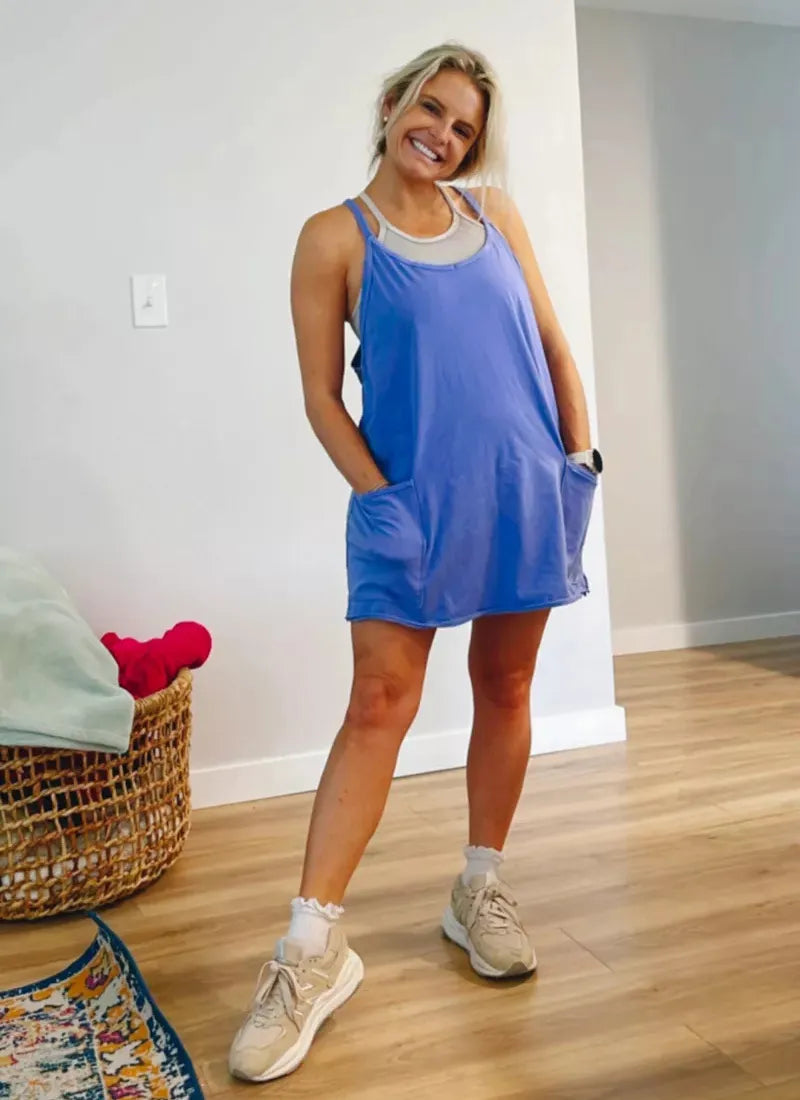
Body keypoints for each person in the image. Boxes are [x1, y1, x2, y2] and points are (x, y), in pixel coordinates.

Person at [229, 42, 602, 1083]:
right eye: (430, 108)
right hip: (410, 508)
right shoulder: (333, 237)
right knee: (377, 705)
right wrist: (380, 499)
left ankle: (478, 887)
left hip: (525, 489)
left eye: (463, 127)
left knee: (507, 684)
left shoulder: (496, 217)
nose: (442, 134)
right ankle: (310, 948)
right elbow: (321, 396)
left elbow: (553, 347)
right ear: (394, 102)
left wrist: (578, 465)